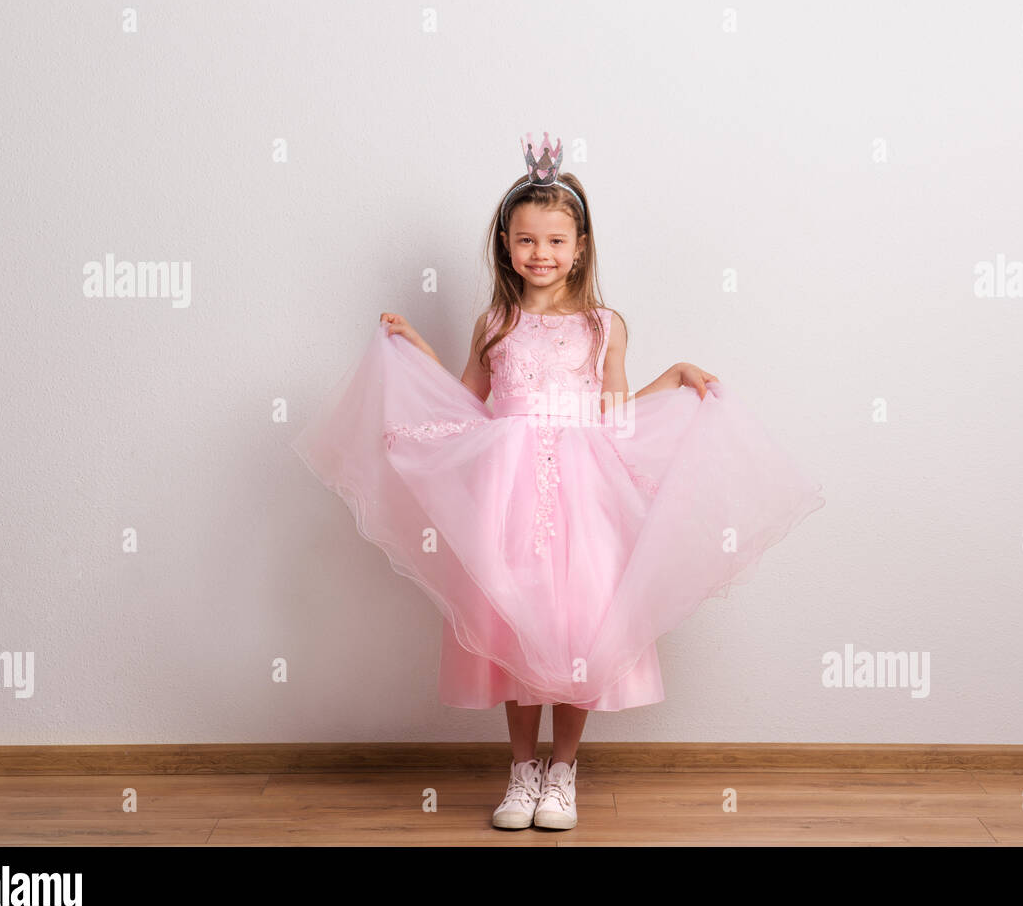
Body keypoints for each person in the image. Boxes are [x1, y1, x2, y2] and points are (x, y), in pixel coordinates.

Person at [290, 131, 825, 832]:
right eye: (524, 241)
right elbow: (468, 408)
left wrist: (677, 378)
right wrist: (417, 353)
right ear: (505, 246)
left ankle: (564, 771)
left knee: (579, 625)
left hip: (583, 495)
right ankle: (521, 771)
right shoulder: (495, 323)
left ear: (580, 246)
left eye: (554, 241)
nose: (539, 254)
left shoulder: (603, 326)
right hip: (509, 497)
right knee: (515, 621)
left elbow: (617, 416)